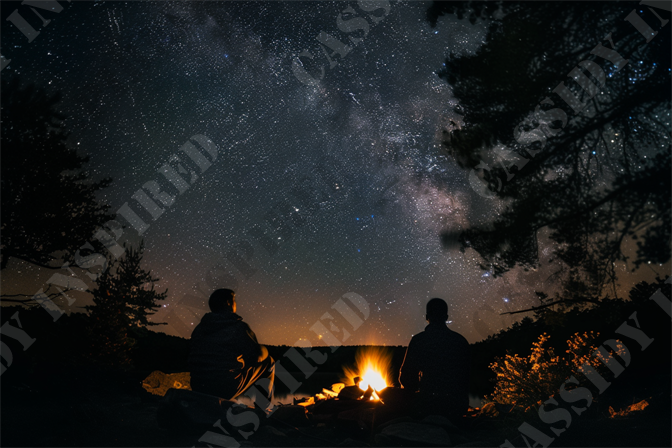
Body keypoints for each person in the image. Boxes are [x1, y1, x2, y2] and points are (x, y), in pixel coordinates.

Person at [188, 289, 274, 403]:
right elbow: (256, 357)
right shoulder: (238, 327)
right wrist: (264, 350)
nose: (235, 304)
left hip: (198, 386)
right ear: (228, 303)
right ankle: (264, 410)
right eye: (234, 301)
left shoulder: (199, 329)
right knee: (269, 362)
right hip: (224, 388)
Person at [399, 298, 470, 419]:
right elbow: (468, 377)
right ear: (446, 317)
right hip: (457, 406)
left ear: (427, 316)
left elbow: (407, 378)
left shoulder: (419, 340)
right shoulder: (460, 341)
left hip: (428, 405)